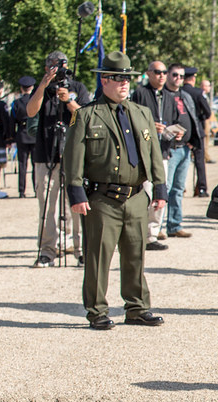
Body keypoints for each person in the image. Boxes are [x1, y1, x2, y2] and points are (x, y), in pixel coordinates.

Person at [63, 52, 168, 330]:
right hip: (102, 198)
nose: (124, 84)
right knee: (98, 257)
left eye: (128, 79)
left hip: (135, 196)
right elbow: (73, 157)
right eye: (118, 79)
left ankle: (137, 307)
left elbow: (153, 152)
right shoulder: (86, 115)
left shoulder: (141, 112)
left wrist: (160, 187)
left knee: (135, 254)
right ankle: (97, 310)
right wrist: (76, 194)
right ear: (104, 80)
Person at [26, 50, 92, 267]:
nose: (59, 71)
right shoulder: (42, 89)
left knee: (76, 203)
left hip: (73, 154)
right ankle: (47, 250)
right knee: (47, 204)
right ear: (47, 68)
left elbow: (86, 116)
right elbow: (30, 111)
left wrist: (68, 101)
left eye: (61, 66)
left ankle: (80, 249)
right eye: (54, 67)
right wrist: (44, 86)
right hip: (46, 154)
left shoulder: (77, 88)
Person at [131, 60, 181, 251]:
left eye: (164, 72)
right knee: (145, 191)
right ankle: (138, 233)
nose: (161, 75)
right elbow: (132, 119)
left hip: (163, 151)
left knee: (161, 192)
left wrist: (177, 131)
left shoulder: (168, 96)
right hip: (144, 152)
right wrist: (150, 126)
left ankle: (152, 234)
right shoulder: (140, 94)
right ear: (149, 74)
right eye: (157, 72)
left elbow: (177, 118)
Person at [162, 63, 201, 238]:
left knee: (178, 189)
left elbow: (193, 119)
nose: (178, 79)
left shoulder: (185, 96)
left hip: (184, 148)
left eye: (181, 76)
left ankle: (174, 224)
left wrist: (192, 141)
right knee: (165, 188)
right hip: (168, 149)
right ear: (168, 75)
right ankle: (157, 228)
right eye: (175, 75)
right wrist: (169, 133)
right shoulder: (161, 95)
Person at [182, 66, 212, 197]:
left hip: (182, 130)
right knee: (199, 161)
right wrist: (200, 119)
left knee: (182, 160)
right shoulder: (198, 93)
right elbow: (208, 112)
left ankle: (181, 187)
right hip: (197, 129)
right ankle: (201, 188)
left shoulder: (179, 91)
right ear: (193, 78)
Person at [11, 75, 37, 197]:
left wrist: (11, 136)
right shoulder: (36, 101)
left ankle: (22, 190)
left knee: (22, 164)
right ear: (32, 88)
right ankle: (37, 189)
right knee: (36, 164)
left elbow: (12, 121)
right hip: (34, 134)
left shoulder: (16, 103)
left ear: (21, 89)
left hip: (21, 133)